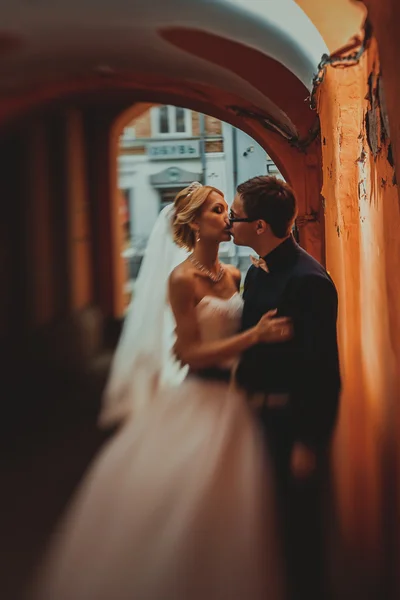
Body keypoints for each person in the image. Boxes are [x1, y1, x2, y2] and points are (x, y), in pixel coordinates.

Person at [28, 182, 291, 600]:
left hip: (235, 403)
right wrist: (251, 339)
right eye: (217, 211)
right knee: (184, 512)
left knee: (228, 518)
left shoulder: (239, 274)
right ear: (194, 223)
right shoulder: (181, 280)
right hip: (200, 399)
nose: (227, 218)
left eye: (227, 210)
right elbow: (188, 353)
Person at [230, 175, 341, 599]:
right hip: (252, 421)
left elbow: (321, 371)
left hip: (289, 425)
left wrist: (308, 441)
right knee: (266, 534)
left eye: (235, 218)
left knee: (300, 535)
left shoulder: (308, 280)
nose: (230, 225)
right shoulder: (255, 274)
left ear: (260, 226)